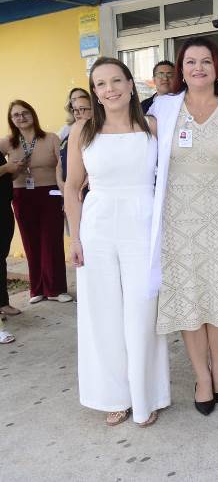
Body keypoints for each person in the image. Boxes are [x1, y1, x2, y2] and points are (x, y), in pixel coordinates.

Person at [64, 57, 170, 427]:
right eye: (101, 84)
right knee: (103, 313)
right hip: (98, 227)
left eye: (116, 81)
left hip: (142, 224)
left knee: (142, 312)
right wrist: (75, 238)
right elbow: (72, 188)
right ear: (94, 92)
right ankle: (113, 396)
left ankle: (145, 395)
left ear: (129, 84)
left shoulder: (151, 125)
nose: (110, 89)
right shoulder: (83, 130)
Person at [147, 37, 218, 416]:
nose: (198, 68)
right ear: (181, 69)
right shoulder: (164, 108)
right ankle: (201, 378)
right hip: (179, 221)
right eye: (190, 62)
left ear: (217, 68)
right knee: (189, 297)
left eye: (206, 61)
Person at [1, 101, 71, 304]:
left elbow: (62, 164)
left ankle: (55, 289)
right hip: (21, 196)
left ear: (33, 114)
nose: (21, 117)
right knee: (30, 242)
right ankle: (37, 289)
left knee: (52, 240)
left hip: (50, 193)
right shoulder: (7, 142)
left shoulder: (50, 138)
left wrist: (66, 190)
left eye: (25, 113)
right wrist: (8, 167)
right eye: (16, 115)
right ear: (11, 120)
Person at [0, 150, 18, 321]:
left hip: (4, 207)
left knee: (1, 256)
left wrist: (15, 170)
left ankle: (3, 302)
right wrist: (6, 168)